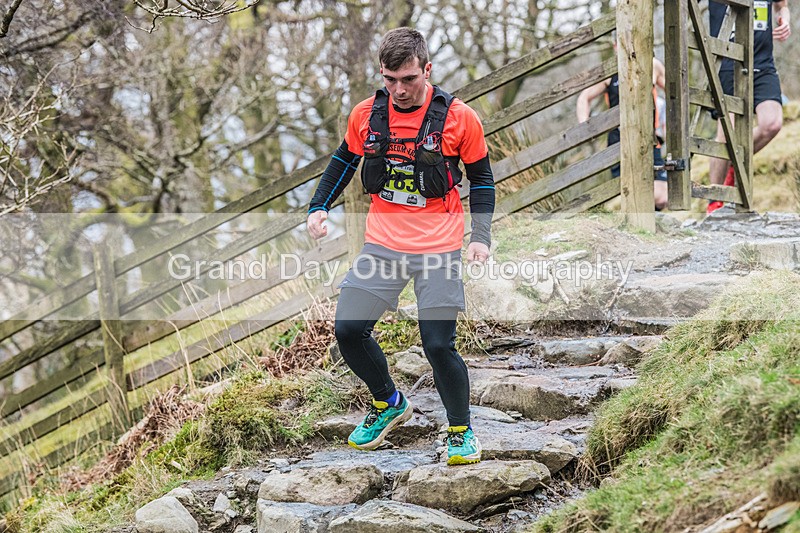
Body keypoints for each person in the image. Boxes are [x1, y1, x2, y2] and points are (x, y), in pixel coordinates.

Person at [306, 28, 495, 465]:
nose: (399, 89)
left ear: (427, 70)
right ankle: (389, 403)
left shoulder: (459, 118)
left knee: (437, 344)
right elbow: (343, 160)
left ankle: (461, 431)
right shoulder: (366, 115)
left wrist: (480, 238)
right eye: (390, 79)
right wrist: (319, 207)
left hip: (438, 247)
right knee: (349, 330)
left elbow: (482, 179)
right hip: (384, 245)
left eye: (408, 78)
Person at [707, 0, 790, 213]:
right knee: (727, 132)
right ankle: (715, 200)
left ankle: (735, 164)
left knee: (771, 123)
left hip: (762, 63)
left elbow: (782, 5)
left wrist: (784, 19)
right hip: (727, 61)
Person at [577, 56, 668, 210]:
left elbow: (676, 94)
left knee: (662, 196)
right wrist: (584, 127)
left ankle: (645, 219)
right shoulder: (609, 70)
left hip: (649, 139)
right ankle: (639, 224)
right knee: (631, 189)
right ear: (615, 44)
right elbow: (584, 97)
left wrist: (670, 123)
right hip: (619, 141)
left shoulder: (652, 64)